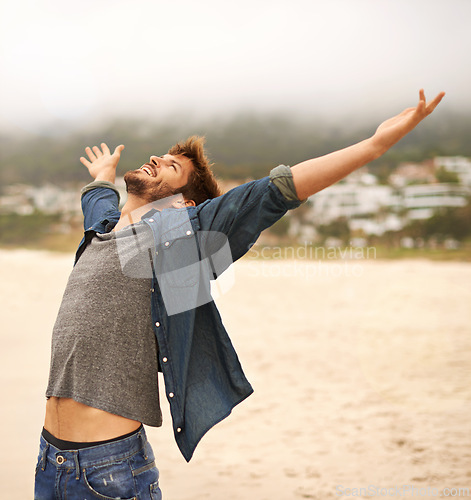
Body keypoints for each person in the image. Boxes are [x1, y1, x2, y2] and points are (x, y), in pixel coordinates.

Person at [34, 89, 445, 499]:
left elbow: (276, 191)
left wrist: (374, 146)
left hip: (108, 470)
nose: (157, 159)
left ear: (185, 204)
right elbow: (99, 203)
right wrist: (102, 177)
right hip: (49, 459)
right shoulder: (101, 233)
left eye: (172, 166)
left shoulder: (181, 240)